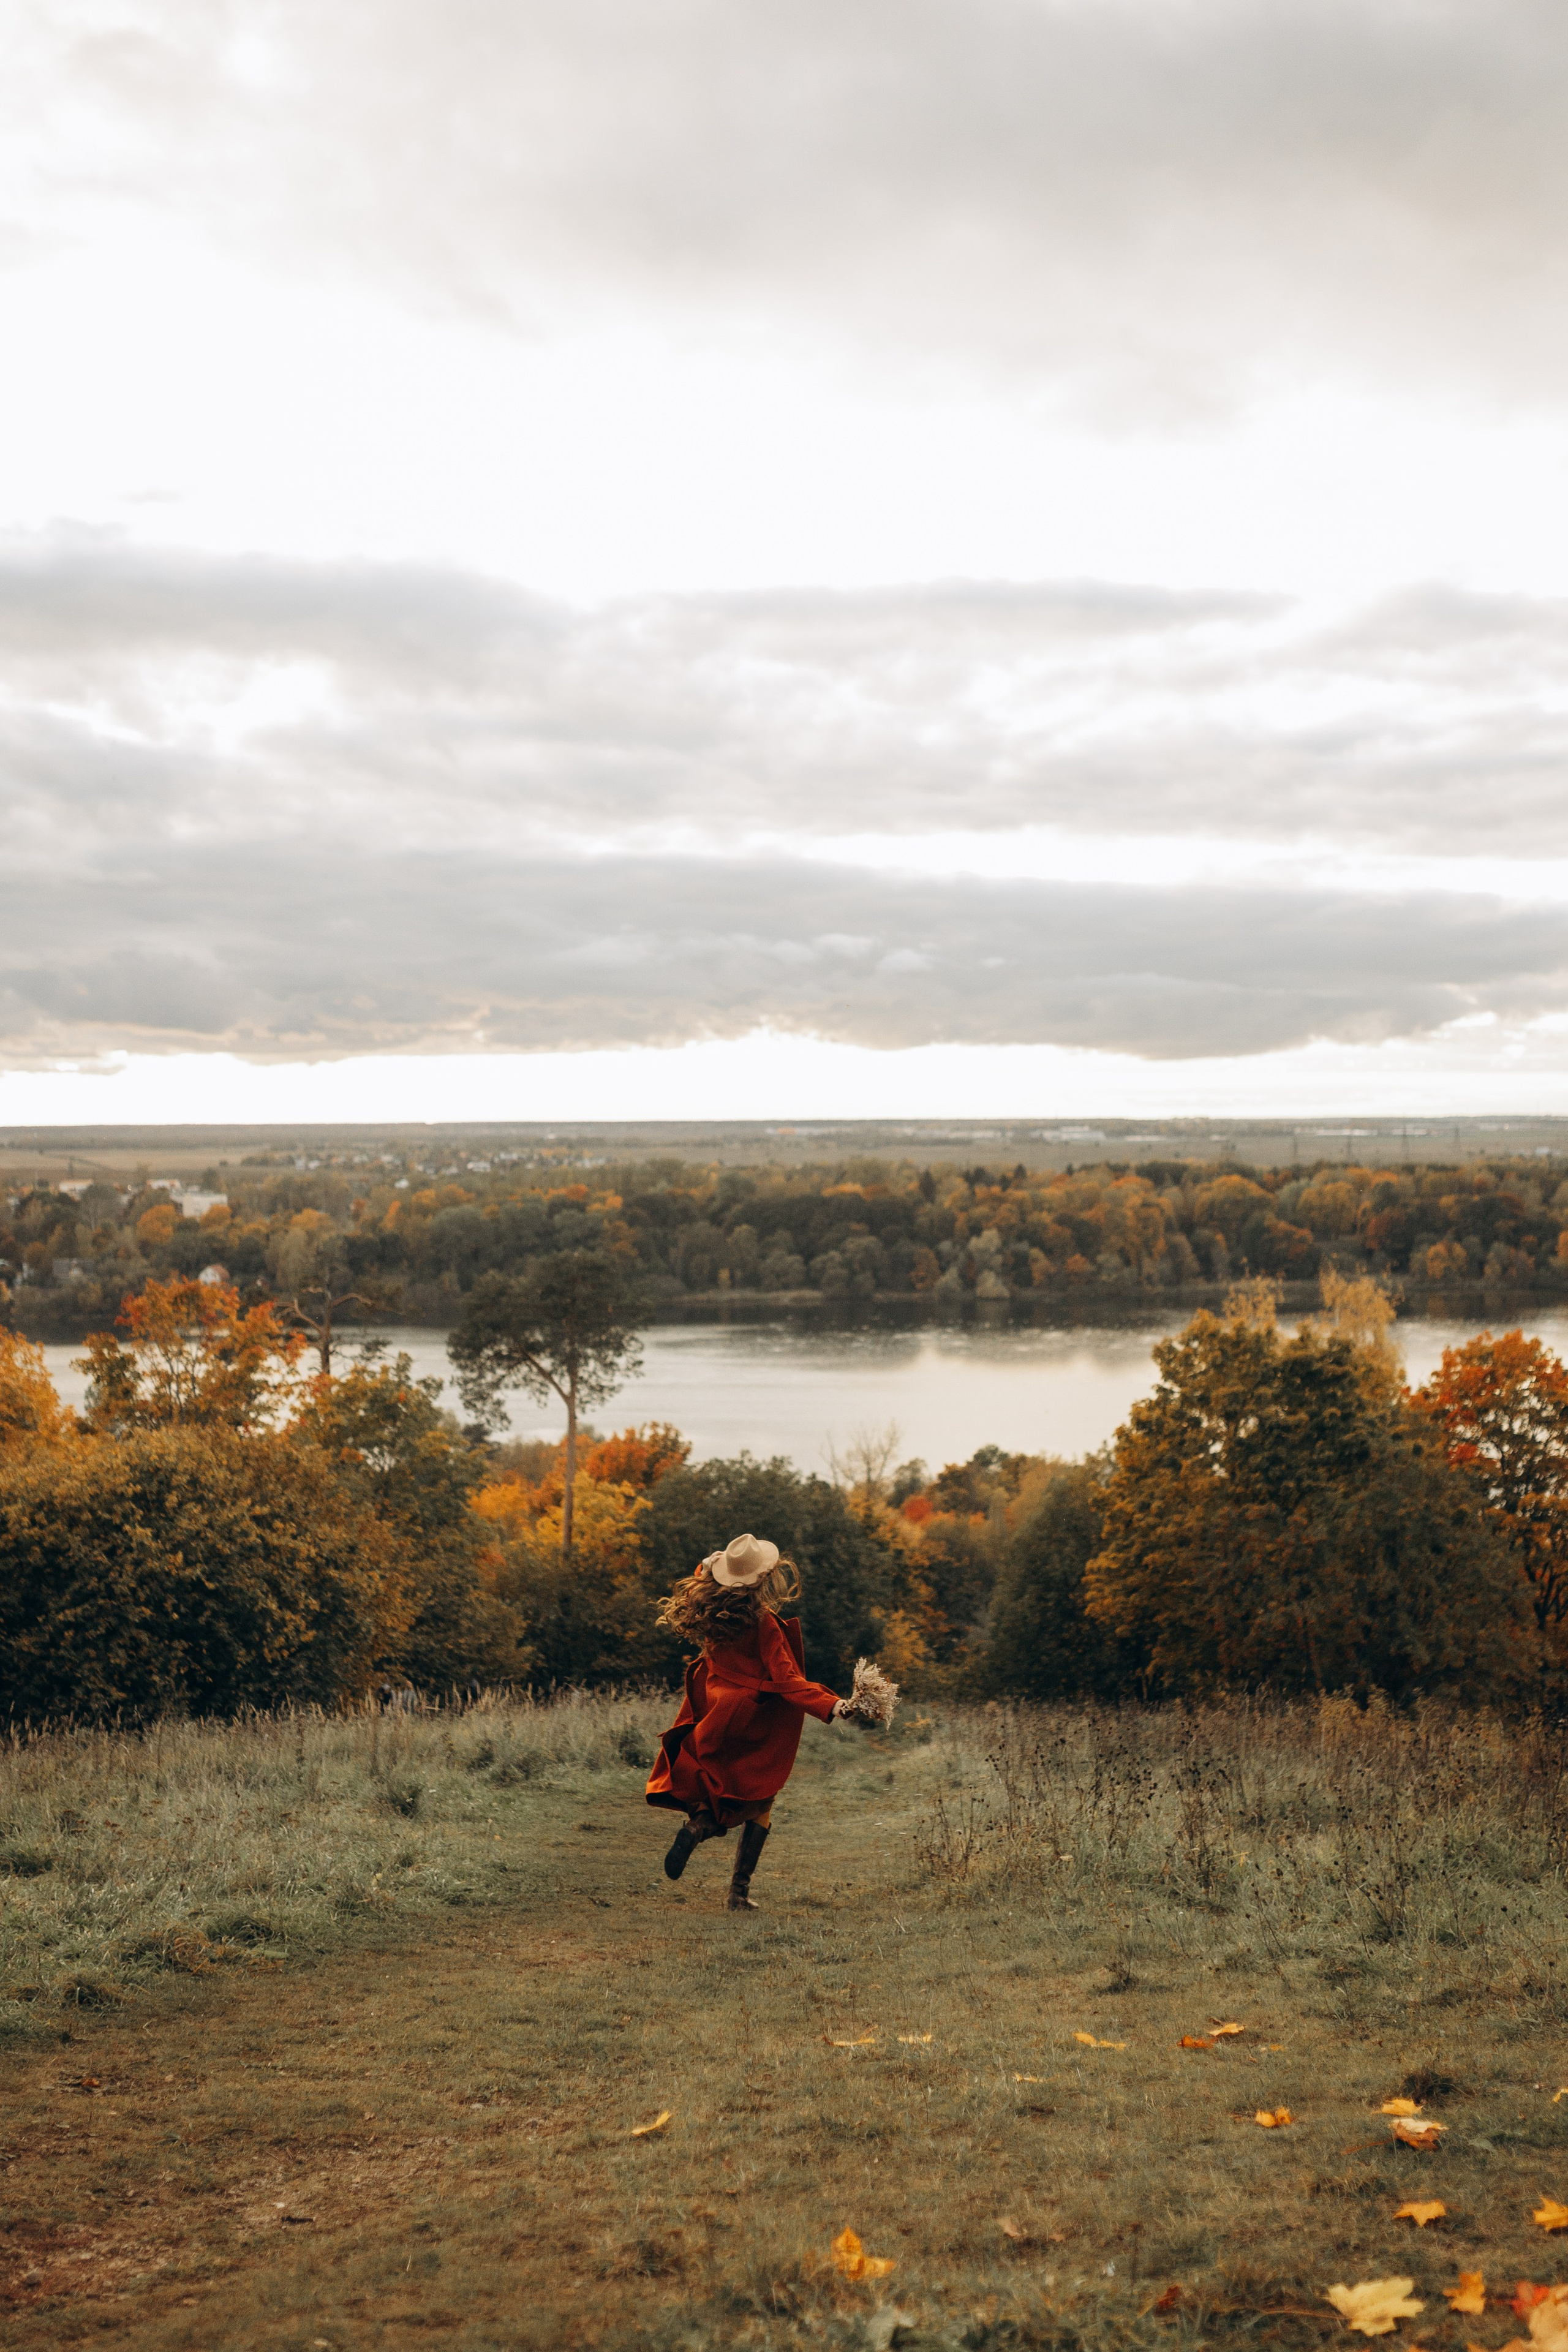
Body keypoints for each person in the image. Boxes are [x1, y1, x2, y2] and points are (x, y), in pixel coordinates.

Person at [646, 1532, 856, 1912]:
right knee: (760, 1799)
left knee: (715, 1787)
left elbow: (704, 1578)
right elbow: (789, 1681)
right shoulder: (763, 1624)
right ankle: (736, 1891)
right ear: (762, 1578)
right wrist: (833, 1704)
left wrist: (710, 1567)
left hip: (713, 1710)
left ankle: (698, 1832)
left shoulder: (713, 1612)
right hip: (752, 1719)